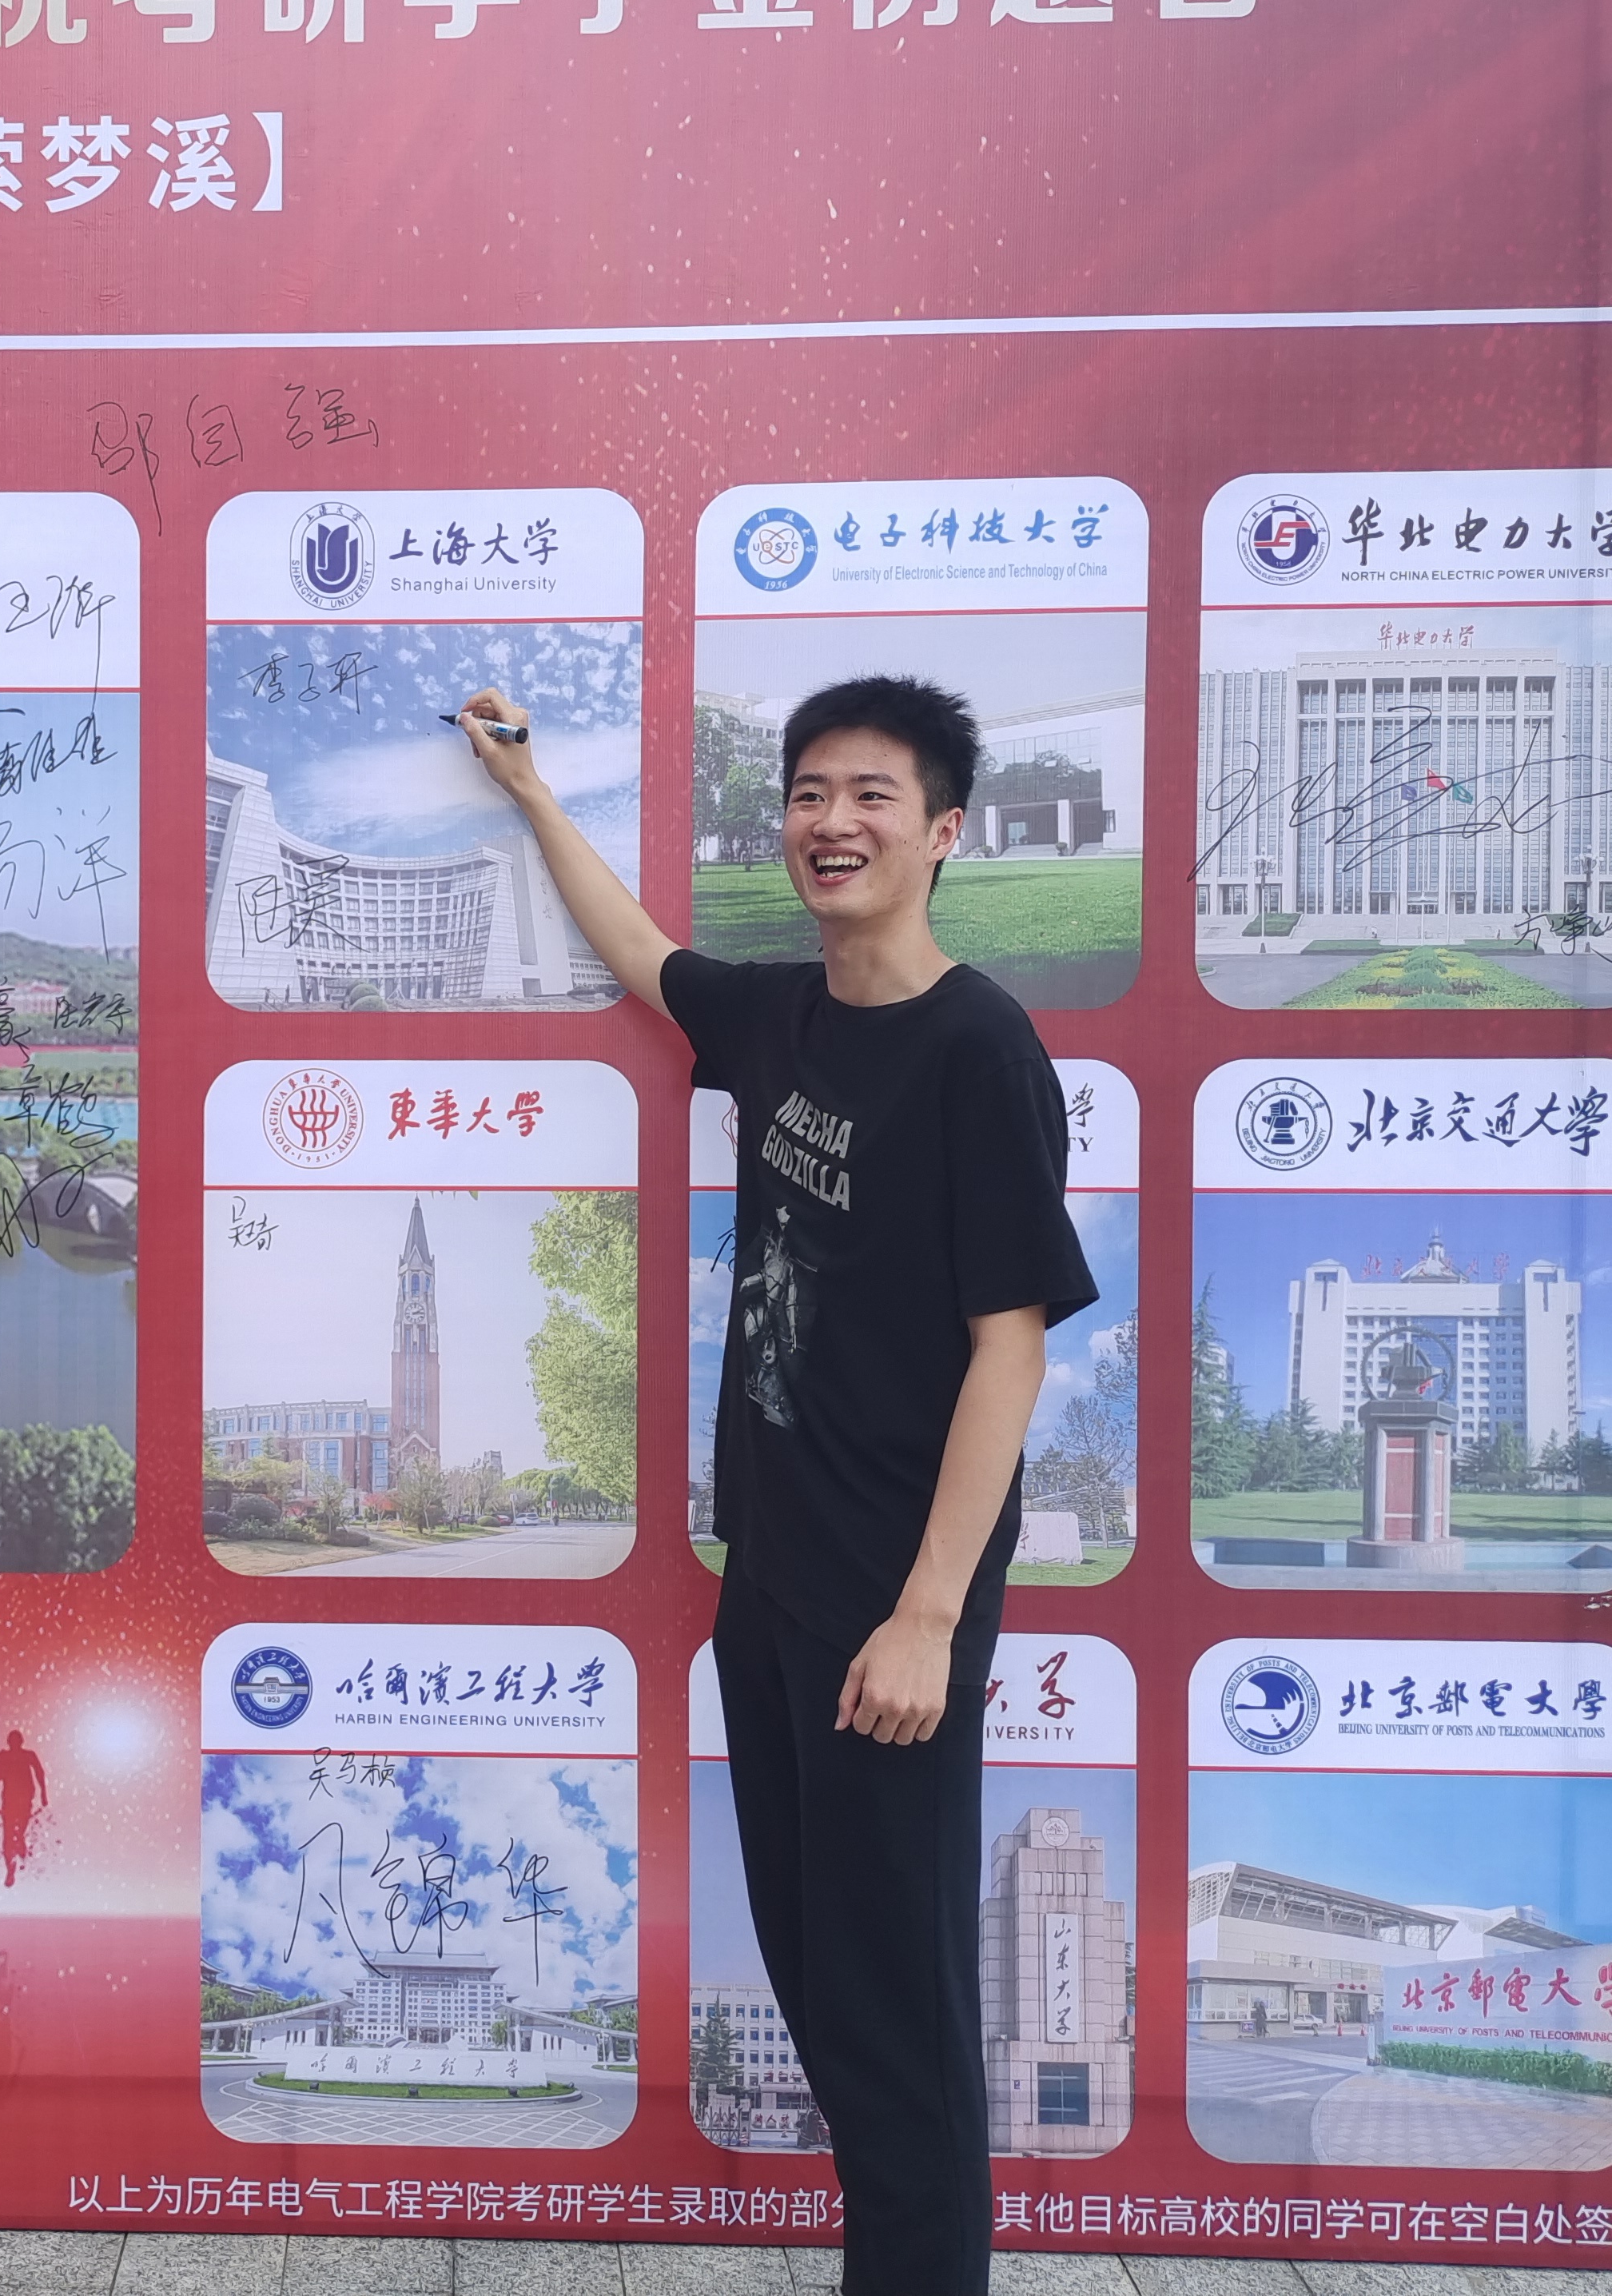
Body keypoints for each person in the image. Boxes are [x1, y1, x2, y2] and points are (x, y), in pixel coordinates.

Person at [459, 674, 1094, 2296]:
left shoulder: (979, 1049)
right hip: (773, 1580)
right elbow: (639, 949)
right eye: (811, 793)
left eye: (873, 795)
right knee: (822, 1980)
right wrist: (531, 797)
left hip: (893, 1599)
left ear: (942, 832)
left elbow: (1009, 1353)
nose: (832, 821)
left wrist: (927, 1620)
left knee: (895, 2019)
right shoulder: (778, 1019)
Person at [0, 1728, 50, 1887]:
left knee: (11, 1834)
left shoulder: (22, 1756)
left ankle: (13, 1860)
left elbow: (39, 1772)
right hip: (17, 1799)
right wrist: (43, 1794)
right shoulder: (14, 1756)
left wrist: (44, 1794)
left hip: (17, 1799)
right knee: (12, 1834)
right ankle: (12, 1865)